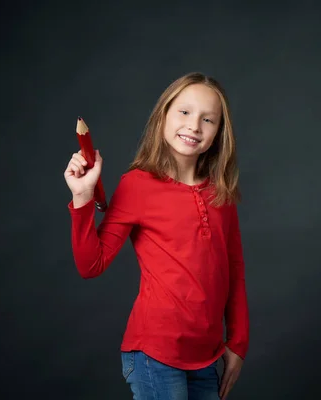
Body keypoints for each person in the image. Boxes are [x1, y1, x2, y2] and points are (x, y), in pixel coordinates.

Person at [64, 72, 249, 400]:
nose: (194, 126)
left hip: (206, 355)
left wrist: (237, 341)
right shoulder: (137, 185)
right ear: (163, 115)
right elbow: (90, 264)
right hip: (154, 353)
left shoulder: (221, 193)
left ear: (219, 132)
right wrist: (82, 198)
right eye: (184, 112)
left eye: (208, 119)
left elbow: (233, 270)